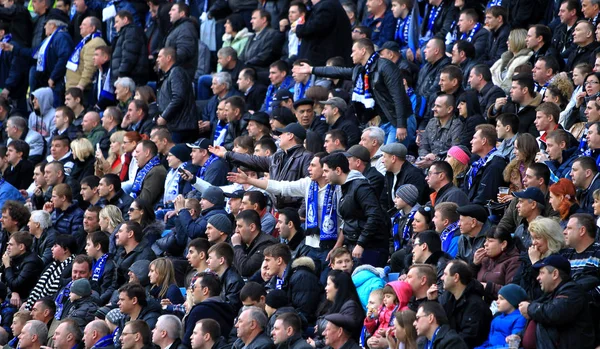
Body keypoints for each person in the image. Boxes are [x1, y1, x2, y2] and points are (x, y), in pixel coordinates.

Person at [293, 38, 413, 144]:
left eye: (354, 51)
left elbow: (398, 96)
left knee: (392, 160)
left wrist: (401, 124)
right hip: (386, 121)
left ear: (363, 51)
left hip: (399, 120)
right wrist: (312, 69)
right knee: (383, 161)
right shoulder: (361, 70)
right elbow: (338, 71)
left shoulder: (385, 66)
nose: (351, 55)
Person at [210, 124, 312, 210]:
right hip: (278, 210)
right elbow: (252, 160)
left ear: (290, 136)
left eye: (282, 134)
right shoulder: (278, 157)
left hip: (295, 212)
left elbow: (310, 187)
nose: (279, 136)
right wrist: (226, 154)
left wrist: (302, 213)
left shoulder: (306, 157)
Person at [322, 153, 389, 267]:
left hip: (370, 248)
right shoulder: (343, 188)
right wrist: (339, 246)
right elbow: (349, 220)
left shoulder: (361, 187)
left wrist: (361, 244)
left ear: (338, 170)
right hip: (354, 245)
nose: (323, 175)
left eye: (326, 171)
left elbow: (374, 216)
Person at [518, 254, 595, 349]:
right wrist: (520, 336)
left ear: (555, 274)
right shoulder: (551, 294)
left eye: (542, 273)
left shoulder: (572, 291)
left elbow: (554, 313)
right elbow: (540, 322)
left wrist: (529, 308)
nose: (538, 277)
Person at [432, 260, 492, 348]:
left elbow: (469, 338)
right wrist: (432, 301)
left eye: (445, 274)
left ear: (456, 277)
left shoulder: (475, 305)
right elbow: (437, 323)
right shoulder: (448, 298)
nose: (441, 278)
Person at [263, 244, 322, 323]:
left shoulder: (302, 277)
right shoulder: (274, 281)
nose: (265, 265)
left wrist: (277, 313)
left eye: (267, 260)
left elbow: (304, 313)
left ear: (279, 260)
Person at [156, 47, 198, 143]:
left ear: (168, 58)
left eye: (159, 57)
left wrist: (164, 117)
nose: (157, 60)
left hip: (181, 127)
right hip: (176, 125)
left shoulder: (176, 72)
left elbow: (178, 97)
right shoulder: (169, 74)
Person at [24, 235, 77, 310]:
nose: (52, 249)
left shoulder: (72, 267)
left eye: (55, 246)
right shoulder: (52, 265)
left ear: (65, 250)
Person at [185, 273, 235, 349]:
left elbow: (186, 342)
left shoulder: (199, 311)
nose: (191, 290)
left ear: (205, 290)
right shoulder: (227, 308)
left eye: (194, 287)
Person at [472, 228, 521, 302]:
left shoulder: (514, 261)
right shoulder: (485, 259)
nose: (485, 244)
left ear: (503, 244)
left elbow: (511, 291)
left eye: (490, 241)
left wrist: (488, 287)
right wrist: (474, 264)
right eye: (486, 240)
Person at [464, 124, 508, 206]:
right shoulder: (477, 163)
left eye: (474, 138)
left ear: (484, 141)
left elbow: (484, 198)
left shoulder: (495, 165)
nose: (471, 141)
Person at [475, 284, 527, 349]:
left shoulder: (520, 319)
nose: (497, 302)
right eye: (497, 298)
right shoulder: (496, 318)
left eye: (501, 299)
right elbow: (489, 341)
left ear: (512, 301)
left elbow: (513, 344)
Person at [1, 231, 44, 305]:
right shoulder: (14, 257)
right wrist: (14, 291)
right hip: (14, 295)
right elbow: (5, 280)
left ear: (21, 247)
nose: (7, 247)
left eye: (11, 245)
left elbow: (16, 285)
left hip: (26, 301)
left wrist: (7, 266)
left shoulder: (32, 262)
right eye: (8, 244)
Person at [110, 11, 149, 86]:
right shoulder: (125, 33)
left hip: (130, 79)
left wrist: (121, 74)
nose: (114, 25)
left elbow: (129, 55)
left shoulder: (131, 31)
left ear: (125, 19)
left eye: (117, 22)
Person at [489, 29, 533, 94]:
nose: (507, 42)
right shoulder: (503, 59)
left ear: (517, 41)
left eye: (509, 40)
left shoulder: (524, 61)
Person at [131, 140, 167, 206]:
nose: (134, 155)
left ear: (147, 153)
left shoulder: (156, 172)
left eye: (137, 152)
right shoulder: (144, 169)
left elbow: (144, 200)